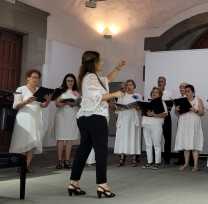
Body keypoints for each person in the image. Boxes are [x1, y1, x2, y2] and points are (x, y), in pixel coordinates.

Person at [68, 51, 126, 198]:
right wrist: (115, 94)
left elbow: (106, 80)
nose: (102, 63)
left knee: (83, 150)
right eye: (100, 61)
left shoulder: (92, 78)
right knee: (101, 151)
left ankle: (73, 183)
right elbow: (97, 96)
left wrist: (118, 68)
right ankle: (102, 185)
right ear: (93, 63)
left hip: (86, 118)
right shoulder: (90, 77)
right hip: (95, 118)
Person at [9, 69, 51, 172]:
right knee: (23, 142)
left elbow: (43, 105)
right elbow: (15, 106)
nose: (35, 79)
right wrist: (27, 101)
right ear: (28, 77)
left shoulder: (39, 90)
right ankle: (21, 166)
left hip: (36, 118)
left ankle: (26, 166)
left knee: (33, 142)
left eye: (37, 78)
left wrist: (48, 100)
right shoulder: (20, 89)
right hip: (24, 118)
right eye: (33, 77)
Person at [174, 84, 204, 172]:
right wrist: (176, 109)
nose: (186, 93)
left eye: (188, 91)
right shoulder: (181, 100)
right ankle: (186, 164)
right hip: (184, 123)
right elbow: (177, 114)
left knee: (194, 144)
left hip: (194, 124)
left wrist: (195, 110)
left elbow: (202, 113)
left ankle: (195, 165)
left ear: (193, 92)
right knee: (186, 144)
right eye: (185, 91)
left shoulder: (198, 100)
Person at [54, 73, 80, 169]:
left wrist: (77, 103)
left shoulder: (77, 93)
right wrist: (65, 102)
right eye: (68, 80)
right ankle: (60, 161)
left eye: (72, 81)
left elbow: (79, 104)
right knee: (60, 139)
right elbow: (57, 104)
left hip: (72, 116)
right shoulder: (60, 91)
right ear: (65, 81)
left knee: (69, 139)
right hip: (62, 116)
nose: (70, 82)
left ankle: (67, 161)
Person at [114, 79, 142, 167]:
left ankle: (134, 158)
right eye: (127, 85)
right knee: (122, 138)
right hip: (123, 119)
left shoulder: (137, 96)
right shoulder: (121, 96)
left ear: (134, 86)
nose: (128, 87)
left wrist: (137, 107)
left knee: (133, 137)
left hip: (133, 120)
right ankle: (122, 158)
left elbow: (140, 108)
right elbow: (117, 110)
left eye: (130, 85)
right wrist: (119, 108)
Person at [142, 87, 168, 169]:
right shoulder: (147, 102)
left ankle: (157, 162)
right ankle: (149, 162)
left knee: (156, 144)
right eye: (153, 92)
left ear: (160, 94)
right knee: (148, 144)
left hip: (156, 125)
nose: (154, 93)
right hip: (146, 124)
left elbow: (165, 114)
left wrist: (154, 115)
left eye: (156, 92)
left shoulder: (162, 102)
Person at [157, 76, 173, 164]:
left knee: (167, 138)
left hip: (166, 116)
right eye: (159, 81)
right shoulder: (154, 92)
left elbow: (171, 105)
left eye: (162, 81)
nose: (160, 83)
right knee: (156, 138)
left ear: (165, 83)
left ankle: (167, 158)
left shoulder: (169, 93)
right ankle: (156, 158)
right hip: (157, 117)